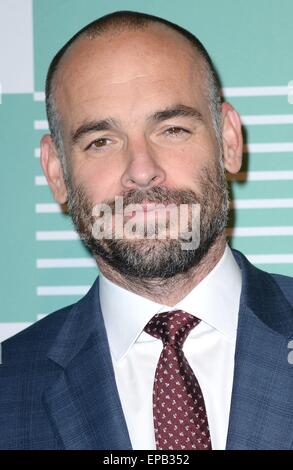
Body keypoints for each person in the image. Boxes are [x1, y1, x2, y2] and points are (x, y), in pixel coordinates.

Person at [1, 10, 293, 451]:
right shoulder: (9, 385)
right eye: (101, 141)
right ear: (56, 171)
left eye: (172, 129)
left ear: (229, 140)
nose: (142, 171)